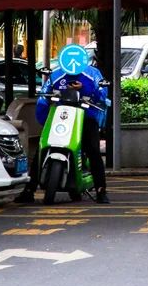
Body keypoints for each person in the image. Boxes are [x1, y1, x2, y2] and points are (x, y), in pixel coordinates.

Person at [17, 64, 109, 203]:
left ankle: (101, 190)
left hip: (87, 116)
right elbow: (44, 93)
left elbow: (102, 93)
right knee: (42, 147)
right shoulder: (56, 74)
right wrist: (45, 107)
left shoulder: (93, 73)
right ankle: (29, 190)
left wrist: (84, 89)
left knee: (93, 150)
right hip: (61, 116)